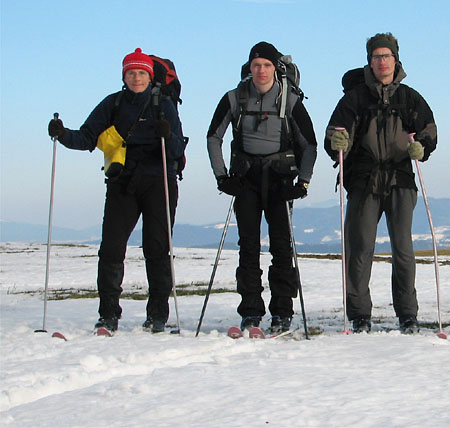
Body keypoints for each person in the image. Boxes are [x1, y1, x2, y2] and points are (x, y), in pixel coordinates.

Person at [47, 48, 187, 333]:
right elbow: (86, 137)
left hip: (160, 180)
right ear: (124, 76)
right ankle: (108, 314)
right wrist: (62, 134)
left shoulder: (165, 106)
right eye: (131, 73)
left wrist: (167, 134)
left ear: (150, 76)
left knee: (157, 248)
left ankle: (157, 315)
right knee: (111, 248)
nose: (137, 78)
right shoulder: (113, 103)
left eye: (141, 73)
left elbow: (176, 151)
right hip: (123, 181)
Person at [324, 32, 437, 334]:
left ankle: (407, 315)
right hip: (363, 180)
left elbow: (429, 129)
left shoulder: (409, 97)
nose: (382, 61)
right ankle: (360, 314)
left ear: (395, 59)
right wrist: (337, 140)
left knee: (403, 249)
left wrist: (422, 146)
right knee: (360, 248)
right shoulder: (355, 98)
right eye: (376, 57)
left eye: (386, 56)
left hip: (400, 179)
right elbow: (334, 134)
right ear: (369, 61)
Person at [207, 41, 317, 334]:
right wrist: (222, 178)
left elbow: (310, 145)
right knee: (249, 246)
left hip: (280, 182)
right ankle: (251, 312)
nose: (261, 70)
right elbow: (213, 137)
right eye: (256, 65)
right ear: (249, 68)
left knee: (281, 247)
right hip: (246, 181)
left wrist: (302, 182)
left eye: (266, 65)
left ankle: (282, 311)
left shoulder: (289, 99)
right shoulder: (234, 98)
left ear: (275, 69)